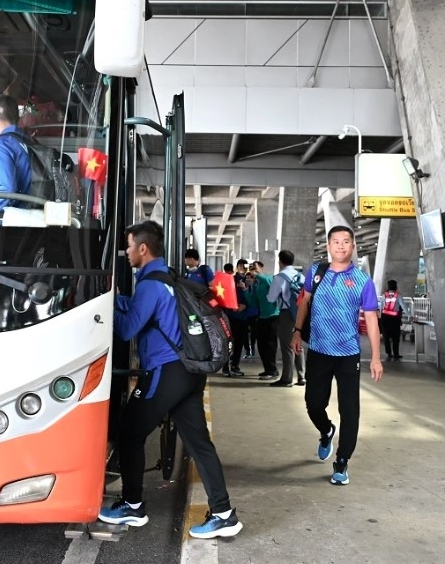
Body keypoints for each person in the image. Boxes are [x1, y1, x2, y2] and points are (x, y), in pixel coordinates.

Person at [99, 221, 243, 539]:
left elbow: (127, 329)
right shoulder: (168, 278)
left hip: (166, 371)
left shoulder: (150, 284)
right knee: (198, 444)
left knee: (130, 434)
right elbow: (144, 313)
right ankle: (223, 513)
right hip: (189, 372)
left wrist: (104, 307)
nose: (126, 251)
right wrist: (120, 301)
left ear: (143, 248)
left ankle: (133, 505)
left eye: (129, 246)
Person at [292, 225, 383, 486]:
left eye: (346, 242)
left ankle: (342, 461)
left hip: (348, 355)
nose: (341, 246)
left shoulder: (363, 281)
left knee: (350, 409)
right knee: (313, 403)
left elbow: (372, 321)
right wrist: (297, 331)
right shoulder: (316, 273)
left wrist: (375, 357)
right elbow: (304, 302)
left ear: (353, 247)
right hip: (319, 351)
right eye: (336, 241)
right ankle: (326, 430)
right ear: (329, 246)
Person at [0, 94, 32, 216]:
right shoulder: (28, 139)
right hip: (34, 211)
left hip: (16, 216)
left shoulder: (0, 145)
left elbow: (7, 191)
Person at [268, 249, 305, 387]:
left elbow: (271, 298)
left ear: (280, 261)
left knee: (287, 346)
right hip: (301, 313)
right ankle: (302, 377)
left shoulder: (280, 277)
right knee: (298, 344)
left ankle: (287, 378)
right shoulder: (300, 276)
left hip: (286, 314)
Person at [251, 260, 280, 381]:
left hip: (272, 315)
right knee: (261, 345)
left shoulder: (268, 278)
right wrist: (246, 289)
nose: (253, 269)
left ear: (262, 268)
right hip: (262, 317)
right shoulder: (257, 283)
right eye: (252, 267)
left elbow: (269, 284)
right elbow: (253, 301)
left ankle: (272, 370)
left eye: (255, 267)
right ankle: (268, 368)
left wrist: (257, 275)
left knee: (270, 344)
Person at [380, 279, 405, 361]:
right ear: (395, 286)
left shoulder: (384, 295)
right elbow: (403, 306)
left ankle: (389, 353)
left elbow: (381, 307)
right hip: (394, 319)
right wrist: (410, 315)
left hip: (385, 318)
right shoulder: (398, 295)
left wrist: (380, 317)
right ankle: (396, 353)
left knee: (386, 336)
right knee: (395, 337)